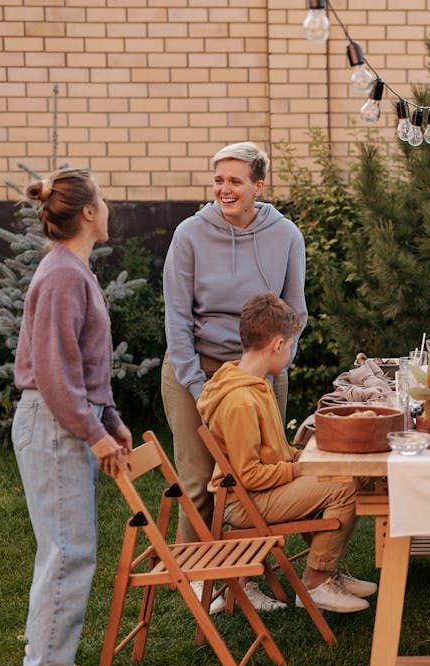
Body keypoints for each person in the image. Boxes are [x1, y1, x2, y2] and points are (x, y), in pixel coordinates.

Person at [12, 169, 132, 666]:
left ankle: (47, 661)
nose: (106, 208)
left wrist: (110, 418)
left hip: (64, 419)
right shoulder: (62, 276)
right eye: (102, 200)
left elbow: (85, 365)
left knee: (60, 546)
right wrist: (96, 434)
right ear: (87, 212)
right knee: (69, 549)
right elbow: (57, 377)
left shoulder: (72, 271)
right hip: (54, 423)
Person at [162, 142, 308, 563]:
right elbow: (176, 316)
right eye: (219, 180)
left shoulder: (285, 235)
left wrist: (273, 365)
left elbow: (295, 311)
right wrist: (196, 386)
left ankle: (251, 571)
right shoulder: (190, 234)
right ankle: (198, 572)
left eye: (235, 181)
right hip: (197, 366)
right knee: (199, 478)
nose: (224, 190)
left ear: (258, 186)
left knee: (263, 474)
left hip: (261, 369)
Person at [197, 293, 376, 613]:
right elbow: (248, 475)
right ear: (278, 345)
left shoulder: (256, 383)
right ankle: (316, 581)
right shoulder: (240, 401)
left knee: (351, 474)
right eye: (291, 345)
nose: (291, 352)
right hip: (242, 503)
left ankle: (328, 572)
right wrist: (300, 469)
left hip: (262, 490)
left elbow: (272, 451)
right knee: (343, 486)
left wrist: (302, 456)